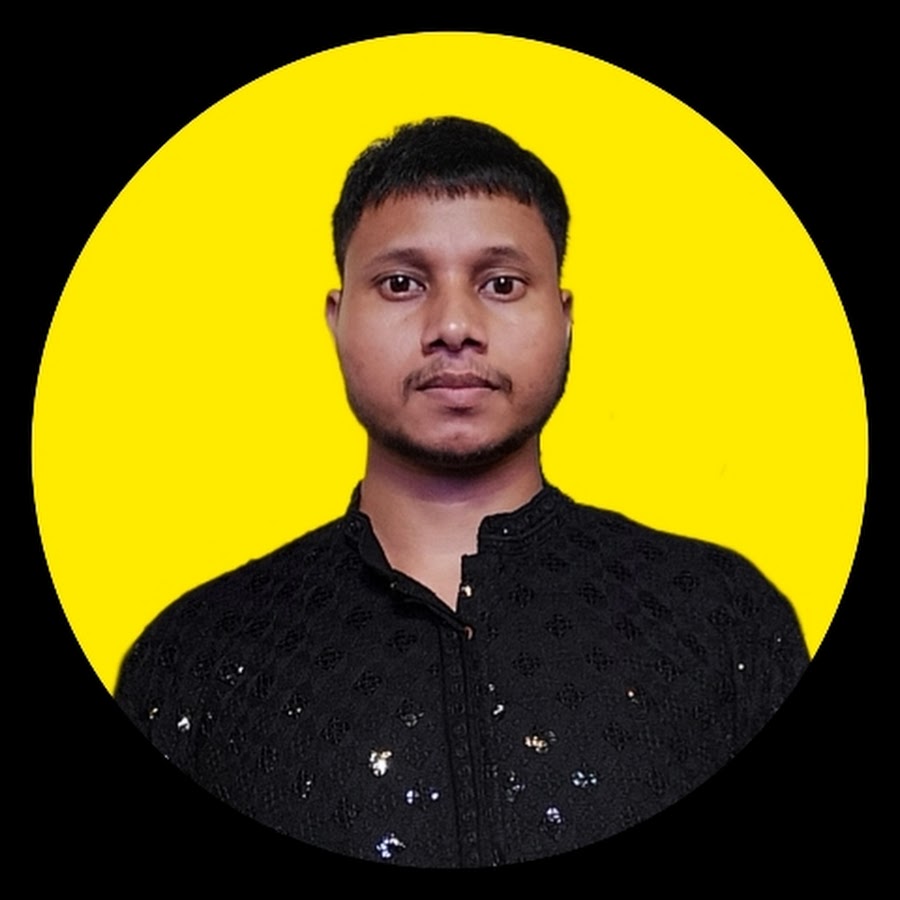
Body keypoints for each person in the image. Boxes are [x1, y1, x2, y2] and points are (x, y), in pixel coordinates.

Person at [115, 116, 808, 867]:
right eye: (401, 284)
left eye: (501, 284)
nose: (453, 326)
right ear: (338, 320)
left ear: (564, 320)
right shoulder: (195, 660)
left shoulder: (722, 621)